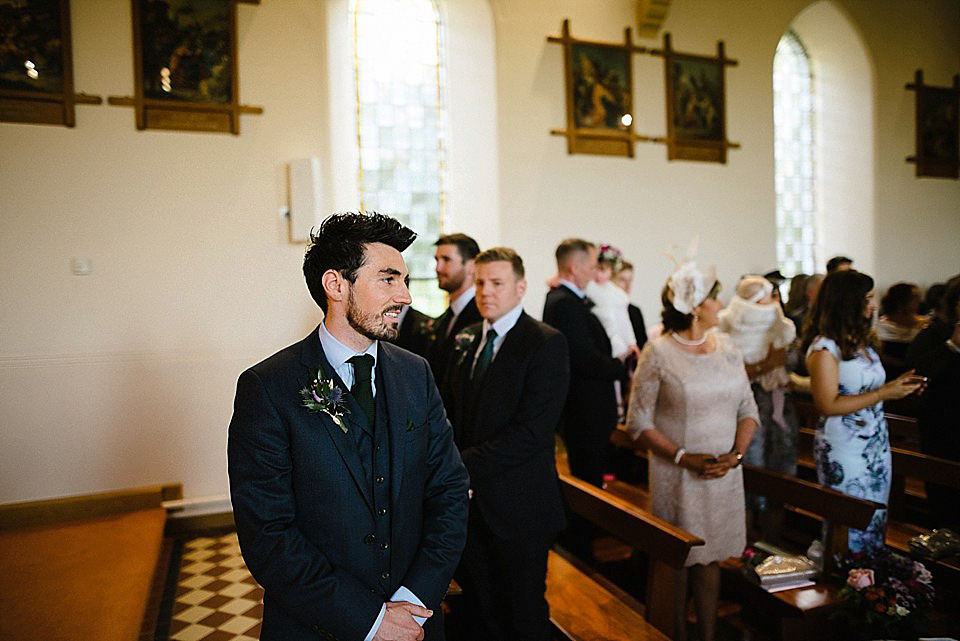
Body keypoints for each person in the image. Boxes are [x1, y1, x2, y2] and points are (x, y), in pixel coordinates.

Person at [228, 213, 470, 641]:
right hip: (316, 627)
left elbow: (449, 492)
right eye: (388, 280)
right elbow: (268, 533)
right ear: (336, 285)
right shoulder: (268, 387)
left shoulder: (416, 374)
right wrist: (371, 621)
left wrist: (413, 602)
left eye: (405, 281)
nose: (407, 297)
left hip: (416, 622)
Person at [626, 257, 758, 641]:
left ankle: (709, 635)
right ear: (697, 307)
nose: (721, 305)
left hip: (723, 472)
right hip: (678, 474)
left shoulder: (729, 348)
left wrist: (736, 455)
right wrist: (683, 456)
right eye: (715, 298)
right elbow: (639, 421)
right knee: (678, 560)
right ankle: (676, 633)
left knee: (712, 558)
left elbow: (748, 408)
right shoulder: (659, 352)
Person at [442, 247, 569, 641]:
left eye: (497, 283)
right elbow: (451, 411)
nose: (486, 292)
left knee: (524, 617)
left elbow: (532, 432)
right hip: (471, 507)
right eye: (480, 282)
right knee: (482, 613)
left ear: (521, 287)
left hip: (520, 507)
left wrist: (458, 466)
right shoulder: (468, 339)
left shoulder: (544, 342)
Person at [802, 269, 924, 553]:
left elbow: (869, 389)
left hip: (875, 442)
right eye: (867, 298)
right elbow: (827, 404)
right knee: (847, 518)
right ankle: (843, 580)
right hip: (844, 447)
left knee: (875, 515)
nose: (872, 305)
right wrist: (884, 392)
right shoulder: (824, 348)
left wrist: (901, 387)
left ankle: (868, 582)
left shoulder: (861, 344)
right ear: (848, 302)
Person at [717, 275, 798, 542]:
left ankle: (772, 542)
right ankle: (745, 546)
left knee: (779, 474)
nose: (772, 301)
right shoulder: (726, 326)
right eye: (766, 296)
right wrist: (765, 364)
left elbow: (790, 359)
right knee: (749, 475)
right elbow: (725, 370)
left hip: (778, 411)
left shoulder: (781, 325)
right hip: (741, 411)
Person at [543, 238, 626, 488]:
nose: (594, 270)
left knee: (591, 470)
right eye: (590, 264)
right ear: (575, 267)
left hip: (586, 407)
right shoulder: (565, 303)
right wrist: (619, 365)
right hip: (585, 407)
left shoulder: (568, 299)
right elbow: (583, 358)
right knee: (587, 475)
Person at [907, 275, 960, 529]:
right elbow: (919, 367)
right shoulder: (935, 333)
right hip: (943, 423)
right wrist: (952, 346)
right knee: (945, 495)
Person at [427, 233, 482, 383]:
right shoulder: (445, 318)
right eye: (437, 260)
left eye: (446, 260)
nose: (438, 268)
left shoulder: (481, 315)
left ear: (472, 266)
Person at [877, 282, 929, 379]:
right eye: (914, 297)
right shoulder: (883, 326)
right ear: (901, 301)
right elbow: (879, 354)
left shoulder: (925, 325)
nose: (919, 301)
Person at [612, 259, 649, 351]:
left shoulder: (634, 311)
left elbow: (643, 345)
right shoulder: (605, 310)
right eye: (622, 280)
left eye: (630, 280)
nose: (627, 285)